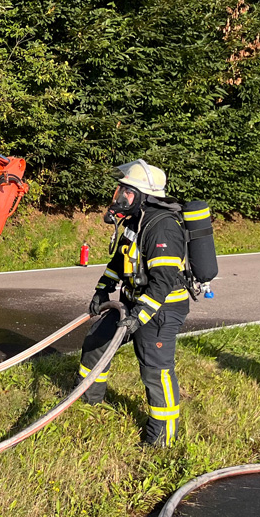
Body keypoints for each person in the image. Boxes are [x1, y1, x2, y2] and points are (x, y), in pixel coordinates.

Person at [79, 159, 190, 446]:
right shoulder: (135, 222)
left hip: (160, 310)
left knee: (155, 370)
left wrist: (139, 317)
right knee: (96, 342)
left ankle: (161, 439)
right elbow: (119, 261)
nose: (119, 197)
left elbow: (163, 282)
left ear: (142, 196)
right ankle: (88, 402)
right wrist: (103, 290)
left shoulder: (162, 228)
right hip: (130, 303)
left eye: (125, 192)